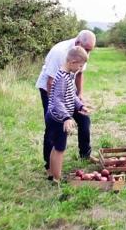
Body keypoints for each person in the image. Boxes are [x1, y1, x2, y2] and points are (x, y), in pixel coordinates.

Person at [35, 30, 97, 179]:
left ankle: (85, 154)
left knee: (84, 119)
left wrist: (79, 101)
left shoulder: (77, 58)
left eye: (90, 50)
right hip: (50, 92)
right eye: (87, 50)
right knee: (54, 132)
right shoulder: (60, 54)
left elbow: (78, 76)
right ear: (78, 43)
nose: (88, 54)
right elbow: (53, 89)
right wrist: (63, 115)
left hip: (66, 96)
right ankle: (50, 169)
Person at [46, 46, 91, 182]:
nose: (80, 69)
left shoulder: (69, 75)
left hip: (58, 116)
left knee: (57, 148)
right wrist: (66, 117)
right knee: (59, 149)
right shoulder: (62, 78)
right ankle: (57, 179)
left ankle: (54, 176)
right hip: (57, 118)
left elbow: (72, 96)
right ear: (72, 62)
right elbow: (57, 100)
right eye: (80, 66)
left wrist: (80, 106)